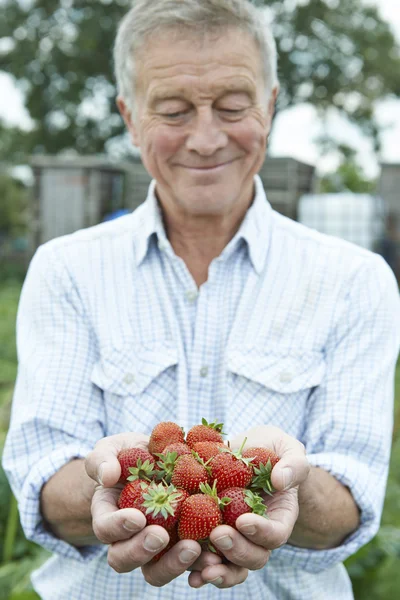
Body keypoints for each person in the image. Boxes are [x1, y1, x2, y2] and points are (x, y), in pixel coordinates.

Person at [3, 1, 400, 598]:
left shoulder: (355, 279)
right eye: (173, 110)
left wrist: (281, 482)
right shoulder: (68, 270)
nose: (207, 138)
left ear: (269, 105)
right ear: (130, 118)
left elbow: (353, 497)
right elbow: (42, 475)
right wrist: (114, 482)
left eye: (234, 107)